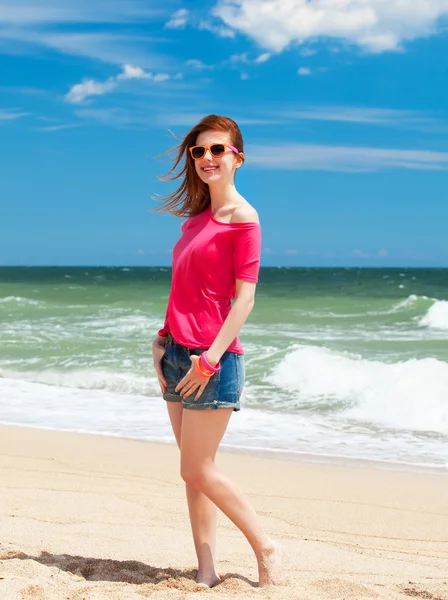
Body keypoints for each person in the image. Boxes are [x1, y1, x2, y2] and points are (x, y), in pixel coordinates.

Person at [151, 114, 283, 588]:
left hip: (213, 361)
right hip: (175, 355)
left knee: (197, 467)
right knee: (193, 475)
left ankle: (264, 545)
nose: (208, 158)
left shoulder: (244, 219)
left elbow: (245, 298)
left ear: (237, 158)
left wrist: (208, 360)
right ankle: (206, 570)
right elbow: (185, 287)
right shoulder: (193, 223)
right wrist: (162, 337)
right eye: (199, 151)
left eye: (217, 150)